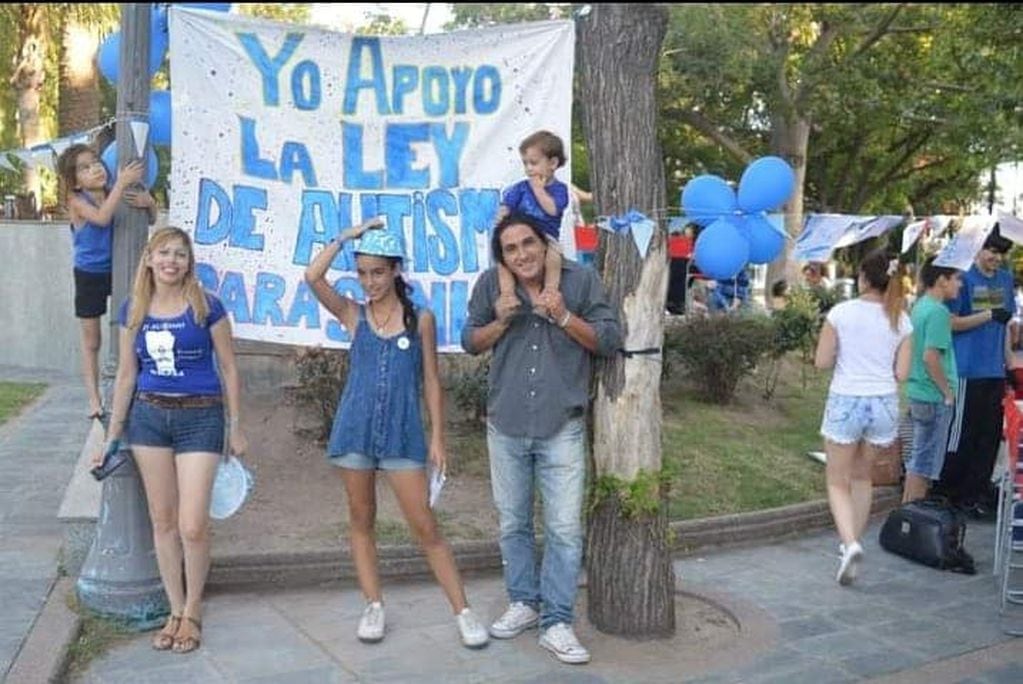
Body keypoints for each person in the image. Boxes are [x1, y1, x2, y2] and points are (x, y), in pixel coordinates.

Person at [304, 219, 489, 649]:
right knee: (361, 519)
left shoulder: (420, 319)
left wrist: (438, 438)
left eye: (378, 272)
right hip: (355, 433)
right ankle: (373, 605)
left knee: (425, 526)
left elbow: (430, 381)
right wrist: (347, 237)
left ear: (395, 271)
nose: (370, 282)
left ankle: (463, 611)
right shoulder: (354, 314)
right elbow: (313, 277)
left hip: (403, 436)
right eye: (363, 273)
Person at [461, 213, 622, 664]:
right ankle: (524, 604)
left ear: (543, 243)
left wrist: (563, 315)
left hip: (561, 426)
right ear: (502, 257)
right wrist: (499, 322)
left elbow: (608, 340)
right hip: (506, 423)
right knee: (512, 523)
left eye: (527, 243)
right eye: (510, 249)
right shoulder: (492, 287)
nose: (521, 254)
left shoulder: (581, 280)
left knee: (565, 531)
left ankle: (557, 622)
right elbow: (470, 340)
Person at [94, 226, 246, 653]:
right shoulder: (134, 309)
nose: (171, 261)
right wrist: (112, 435)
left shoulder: (206, 306)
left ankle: (194, 609)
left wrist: (236, 426)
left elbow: (230, 369)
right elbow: (126, 375)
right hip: (149, 418)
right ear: (148, 258)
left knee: (192, 525)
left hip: (201, 416)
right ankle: (175, 609)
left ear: (188, 262)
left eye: (180, 254)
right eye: (164, 253)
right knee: (163, 521)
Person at [814, 250, 911, 586]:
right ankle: (851, 544)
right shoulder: (901, 319)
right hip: (883, 402)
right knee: (862, 478)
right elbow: (901, 373)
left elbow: (822, 361)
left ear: (864, 278)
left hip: (847, 399)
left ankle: (849, 543)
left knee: (836, 481)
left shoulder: (841, 313)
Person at [56, 143, 157, 420]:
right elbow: (101, 219)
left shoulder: (117, 192)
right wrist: (122, 183)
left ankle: (136, 385)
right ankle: (94, 399)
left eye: (96, 162)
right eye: (85, 168)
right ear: (75, 180)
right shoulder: (77, 201)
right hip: (90, 273)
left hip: (121, 269)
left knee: (133, 324)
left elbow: (149, 219)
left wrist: (149, 204)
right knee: (92, 340)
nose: (95, 169)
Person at [936, 228, 1017, 517]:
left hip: (993, 371)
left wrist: (1009, 365)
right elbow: (950, 322)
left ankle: (976, 494)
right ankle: (949, 494)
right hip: (966, 370)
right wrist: (988, 315)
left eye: (1001, 253)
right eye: (991, 251)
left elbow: (1004, 325)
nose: (996, 258)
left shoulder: (1006, 280)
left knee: (989, 437)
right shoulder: (964, 278)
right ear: (979, 249)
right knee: (962, 436)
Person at [904, 257, 962, 503]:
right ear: (941, 280)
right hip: (933, 395)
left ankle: (906, 513)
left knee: (918, 458)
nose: (959, 284)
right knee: (925, 465)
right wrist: (947, 392)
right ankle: (913, 518)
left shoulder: (920, 306)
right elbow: (931, 357)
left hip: (918, 391)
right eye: (956, 278)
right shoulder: (938, 312)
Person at [496, 130, 571, 316]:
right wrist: (501, 219)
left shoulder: (559, 189)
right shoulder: (521, 188)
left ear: (553, 163)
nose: (529, 169)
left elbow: (553, 210)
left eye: (534, 163)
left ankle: (548, 295)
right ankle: (507, 296)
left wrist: (539, 190)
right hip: (521, 234)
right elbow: (506, 206)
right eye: (525, 164)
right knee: (502, 260)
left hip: (547, 237)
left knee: (554, 258)